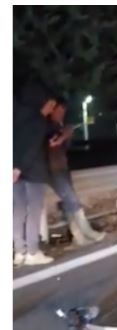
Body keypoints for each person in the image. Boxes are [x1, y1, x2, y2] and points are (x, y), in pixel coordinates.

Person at [47, 97, 105, 245]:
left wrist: (67, 136)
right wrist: (65, 133)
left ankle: (79, 237)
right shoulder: (47, 126)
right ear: (52, 110)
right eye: (59, 111)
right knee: (72, 200)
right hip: (52, 170)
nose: (61, 114)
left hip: (62, 167)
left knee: (69, 202)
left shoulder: (58, 125)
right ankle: (86, 231)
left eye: (63, 111)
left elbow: (64, 147)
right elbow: (52, 143)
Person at [13, 84, 57, 266]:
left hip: (13, 172)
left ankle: (19, 252)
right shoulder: (38, 121)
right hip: (32, 172)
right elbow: (32, 147)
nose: (51, 108)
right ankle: (32, 251)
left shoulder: (14, 116)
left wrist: (13, 168)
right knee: (33, 211)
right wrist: (19, 168)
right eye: (50, 104)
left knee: (18, 210)